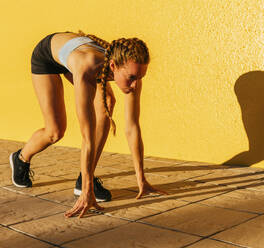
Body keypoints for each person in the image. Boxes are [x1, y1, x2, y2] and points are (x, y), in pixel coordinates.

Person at [9, 31, 166, 218]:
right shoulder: (87, 66)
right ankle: (21, 158)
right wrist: (87, 192)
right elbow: (87, 137)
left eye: (140, 77)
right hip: (47, 57)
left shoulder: (131, 72)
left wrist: (142, 180)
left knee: (107, 101)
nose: (135, 85)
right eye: (132, 77)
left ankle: (85, 176)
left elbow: (132, 127)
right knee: (55, 131)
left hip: (78, 56)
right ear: (114, 66)